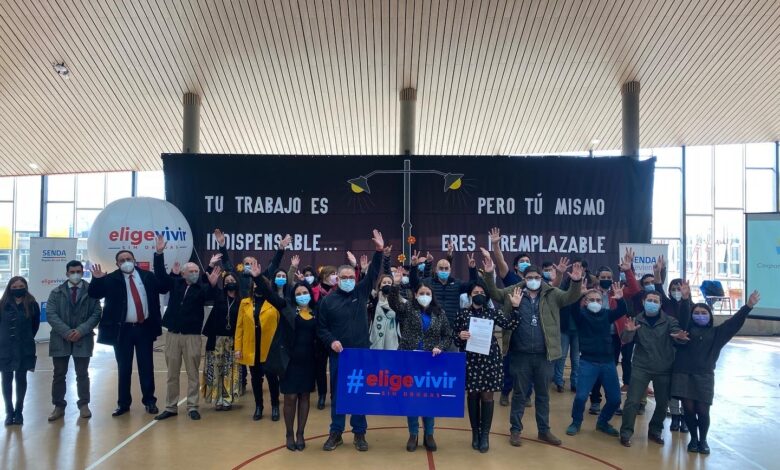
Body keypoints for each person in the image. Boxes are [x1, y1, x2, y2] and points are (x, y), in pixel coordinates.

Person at [483, 256, 584, 448]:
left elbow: (570, 297)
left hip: (544, 355)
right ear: (524, 277)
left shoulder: (552, 293)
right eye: (530, 277)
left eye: (537, 277)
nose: (533, 280)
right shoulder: (513, 291)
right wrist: (489, 274)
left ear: (541, 278)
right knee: (519, 395)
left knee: (543, 395)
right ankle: (515, 430)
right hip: (520, 354)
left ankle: (544, 430)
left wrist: (576, 281)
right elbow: (494, 293)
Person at [673, 284, 760, 455]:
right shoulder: (685, 330)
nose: (700, 315)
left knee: (703, 410)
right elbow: (683, 315)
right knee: (688, 410)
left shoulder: (717, 333)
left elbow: (734, 323)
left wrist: (748, 306)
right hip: (683, 374)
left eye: (703, 313)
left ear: (710, 316)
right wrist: (685, 299)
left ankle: (703, 439)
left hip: (704, 376)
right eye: (696, 313)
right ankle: (693, 438)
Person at [318, 229, 384, 452]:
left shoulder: (361, 292)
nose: (348, 280)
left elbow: (373, 273)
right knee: (338, 395)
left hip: (360, 354)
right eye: (343, 278)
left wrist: (379, 251)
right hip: (340, 356)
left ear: (355, 278)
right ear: (337, 279)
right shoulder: (327, 302)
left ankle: (359, 433)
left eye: (350, 277)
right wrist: (331, 341)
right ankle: (336, 432)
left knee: (359, 394)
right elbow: (321, 328)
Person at [89, 250, 164, 417]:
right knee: (124, 368)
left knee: (147, 366)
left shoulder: (147, 276)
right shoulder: (111, 279)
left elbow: (164, 287)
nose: (126, 262)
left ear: (134, 260)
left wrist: (160, 257)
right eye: (122, 260)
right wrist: (97, 279)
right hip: (122, 331)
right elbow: (94, 294)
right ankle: (123, 403)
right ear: (117, 264)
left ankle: (149, 401)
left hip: (144, 328)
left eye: (128, 259)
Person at [453, 276, 521, 453]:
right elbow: (455, 338)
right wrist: (460, 336)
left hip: (490, 360)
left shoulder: (492, 312)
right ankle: (475, 433)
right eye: (475, 292)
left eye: (482, 292)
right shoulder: (462, 313)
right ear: (470, 295)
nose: (479, 294)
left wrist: (515, 307)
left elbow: (510, 324)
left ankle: (485, 435)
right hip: (470, 360)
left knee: (487, 397)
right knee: (472, 396)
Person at [152, 237, 217, 421]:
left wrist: (212, 283)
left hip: (192, 337)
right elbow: (161, 276)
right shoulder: (175, 284)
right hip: (173, 335)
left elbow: (210, 294)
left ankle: (192, 406)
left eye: (197, 271)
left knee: (193, 373)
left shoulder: (201, 289)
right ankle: (170, 407)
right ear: (183, 273)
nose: (195, 273)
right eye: (192, 271)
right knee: (172, 374)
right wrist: (159, 253)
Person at [388, 274, 453, 452]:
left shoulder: (440, 313)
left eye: (428, 293)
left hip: (431, 362)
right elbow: (393, 303)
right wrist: (396, 284)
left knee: (428, 398)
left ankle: (429, 434)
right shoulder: (408, 308)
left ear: (432, 296)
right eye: (421, 293)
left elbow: (448, 335)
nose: (425, 296)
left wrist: (440, 346)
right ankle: (413, 434)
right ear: (415, 295)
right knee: (411, 397)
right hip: (409, 360)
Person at [619, 290, 690, 447]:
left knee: (662, 403)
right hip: (641, 367)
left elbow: (679, 337)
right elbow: (625, 340)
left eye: (655, 301)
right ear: (643, 302)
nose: (652, 303)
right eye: (649, 300)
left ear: (660, 304)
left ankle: (655, 430)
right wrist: (629, 332)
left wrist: (680, 338)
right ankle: (625, 432)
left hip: (663, 368)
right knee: (632, 401)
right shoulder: (636, 320)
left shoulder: (670, 321)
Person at [566, 286, 627, 437]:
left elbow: (622, 310)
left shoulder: (607, 314)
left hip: (607, 362)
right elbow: (573, 308)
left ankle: (603, 422)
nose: (595, 302)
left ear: (602, 302)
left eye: (598, 300)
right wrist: (580, 295)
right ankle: (576, 422)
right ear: (586, 302)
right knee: (581, 397)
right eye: (591, 300)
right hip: (588, 361)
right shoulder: (581, 315)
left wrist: (620, 299)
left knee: (615, 399)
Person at [45, 261, 102, 421]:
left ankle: (84, 405)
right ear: (67, 273)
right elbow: (51, 314)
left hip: (83, 338)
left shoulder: (91, 291)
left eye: (78, 271)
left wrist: (81, 330)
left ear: (82, 272)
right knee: (59, 374)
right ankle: (58, 406)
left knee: (82, 374)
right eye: (72, 271)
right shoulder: (56, 292)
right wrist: (66, 332)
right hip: (60, 338)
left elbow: (97, 313)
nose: (75, 274)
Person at [234, 261, 286, 421]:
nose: (257, 286)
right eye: (255, 284)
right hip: (252, 347)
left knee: (272, 379)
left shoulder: (274, 302)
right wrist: (238, 347)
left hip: (270, 348)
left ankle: (275, 406)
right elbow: (239, 327)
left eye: (260, 284)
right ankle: (259, 406)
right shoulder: (245, 303)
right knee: (255, 379)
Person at [279, 282, 319, 451]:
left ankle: (300, 433)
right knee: (290, 397)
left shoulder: (316, 312)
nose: (302, 296)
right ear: (294, 297)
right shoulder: (288, 310)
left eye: (304, 292)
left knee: (304, 396)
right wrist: (258, 277)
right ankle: (289, 433)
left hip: (309, 361)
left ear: (310, 293)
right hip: (290, 362)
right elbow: (271, 295)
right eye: (298, 294)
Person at [288, 256, 329, 410]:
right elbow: (289, 285)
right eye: (306, 275)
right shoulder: (292, 306)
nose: (302, 296)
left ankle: (322, 395)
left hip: (318, 346)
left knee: (321, 371)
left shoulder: (319, 302)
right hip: (298, 350)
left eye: (310, 275)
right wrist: (293, 269)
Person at [0, 277, 40, 426]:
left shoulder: (32, 304)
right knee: (6, 380)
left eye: (21, 286)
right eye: (15, 286)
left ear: (26, 287)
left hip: (24, 347)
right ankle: (9, 412)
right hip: (5, 348)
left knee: (21, 379)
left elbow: (35, 326)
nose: (18, 288)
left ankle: (19, 411)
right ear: (10, 288)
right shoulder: (2, 304)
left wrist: (25, 338)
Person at [201, 271, 241, 411]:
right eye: (227, 281)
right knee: (215, 369)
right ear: (223, 285)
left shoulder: (242, 300)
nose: (230, 283)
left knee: (229, 370)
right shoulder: (218, 295)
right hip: (216, 339)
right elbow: (208, 293)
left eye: (232, 280)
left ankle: (227, 399)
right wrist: (211, 284)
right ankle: (217, 398)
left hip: (233, 340)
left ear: (237, 282)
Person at [368, 274, 400, 350]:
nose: (386, 284)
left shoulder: (398, 300)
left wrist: (396, 286)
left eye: (389, 283)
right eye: (384, 282)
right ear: (380, 285)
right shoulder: (374, 298)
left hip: (391, 335)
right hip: (376, 334)